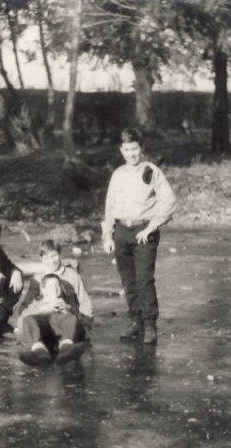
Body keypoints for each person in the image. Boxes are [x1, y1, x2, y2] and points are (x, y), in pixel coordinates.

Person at [101, 128, 177, 344]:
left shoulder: (151, 171)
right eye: (127, 149)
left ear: (141, 148)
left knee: (144, 280)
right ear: (121, 150)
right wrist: (107, 235)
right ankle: (136, 322)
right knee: (128, 281)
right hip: (121, 232)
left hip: (144, 233)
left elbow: (169, 201)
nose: (131, 153)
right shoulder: (118, 174)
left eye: (135, 148)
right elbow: (109, 206)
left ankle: (150, 325)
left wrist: (151, 227)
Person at [16, 273, 87, 367]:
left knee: (71, 318)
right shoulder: (36, 304)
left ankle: (66, 348)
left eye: (57, 286)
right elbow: (21, 322)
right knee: (28, 318)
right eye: (50, 286)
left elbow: (78, 325)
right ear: (43, 290)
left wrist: (67, 310)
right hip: (42, 337)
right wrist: (42, 309)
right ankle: (39, 351)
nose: (54, 289)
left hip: (59, 338)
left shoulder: (66, 304)